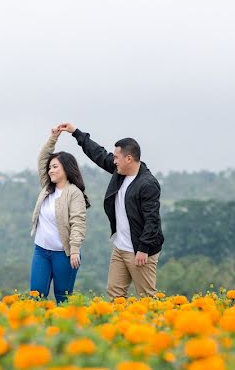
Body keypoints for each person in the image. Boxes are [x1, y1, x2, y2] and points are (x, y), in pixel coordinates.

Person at [55, 123, 164, 299]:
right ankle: (119, 326)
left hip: (140, 250)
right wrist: (76, 133)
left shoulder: (147, 184)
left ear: (129, 159)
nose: (113, 161)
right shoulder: (119, 172)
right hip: (120, 247)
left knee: (147, 298)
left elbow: (153, 220)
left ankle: (155, 325)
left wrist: (143, 249)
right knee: (115, 295)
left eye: (116, 157)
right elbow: (98, 154)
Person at [30, 126, 89, 303]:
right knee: (36, 295)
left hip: (64, 254)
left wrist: (75, 251)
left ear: (66, 168)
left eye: (55, 167)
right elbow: (42, 160)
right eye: (50, 168)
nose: (50, 170)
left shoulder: (74, 193)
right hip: (41, 251)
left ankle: (62, 329)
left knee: (62, 298)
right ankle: (36, 329)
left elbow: (78, 222)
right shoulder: (47, 187)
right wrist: (53, 138)